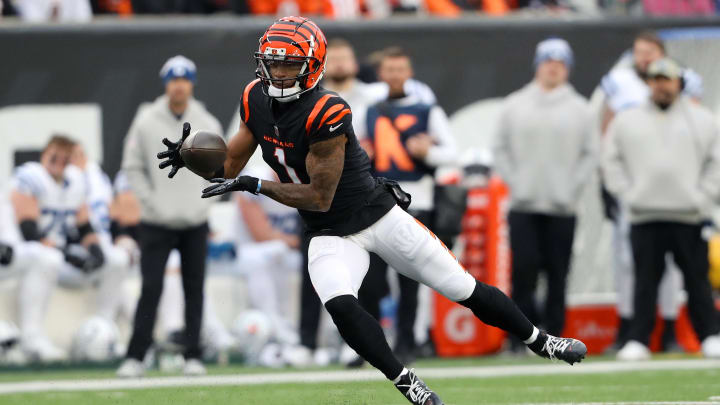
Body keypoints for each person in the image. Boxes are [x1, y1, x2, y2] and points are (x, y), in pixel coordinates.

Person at [159, 16, 587, 405]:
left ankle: (540, 340)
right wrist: (193, 159)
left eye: (290, 64)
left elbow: (318, 195)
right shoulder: (254, 96)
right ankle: (408, 384)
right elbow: (228, 167)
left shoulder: (328, 111)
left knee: (462, 288)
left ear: (313, 65)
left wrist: (256, 184)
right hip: (328, 232)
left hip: (375, 216)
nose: (280, 73)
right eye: (274, 63)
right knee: (341, 305)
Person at [601, 57, 720, 361]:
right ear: (648, 83)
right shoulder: (627, 120)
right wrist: (627, 194)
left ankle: (709, 335)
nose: (661, 85)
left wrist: (703, 197)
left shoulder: (702, 119)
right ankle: (639, 339)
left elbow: (715, 162)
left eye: (666, 79)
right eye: (655, 80)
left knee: (697, 280)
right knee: (644, 281)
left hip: (688, 214)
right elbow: (610, 160)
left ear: (678, 83)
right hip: (645, 213)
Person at [117, 55, 223, 378]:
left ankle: (193, 354)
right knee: (150, 288)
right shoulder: (146, 120)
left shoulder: (206, 120)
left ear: (191, 83)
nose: (179, 85)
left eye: (184, 79)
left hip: (194, 221)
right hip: (156, 222)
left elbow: (220, 168)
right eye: (173, 79)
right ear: (166, 83)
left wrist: (204, 205)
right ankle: (137, 354)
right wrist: (151, 204)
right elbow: (132, 167)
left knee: (195, 288)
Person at [493, 38, 595, 352]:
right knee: (523, 272)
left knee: (557, 274)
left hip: (562, 207)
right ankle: (519, 337)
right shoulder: (515, 104)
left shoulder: (581, 109)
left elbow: (590, 155)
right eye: (548, 61)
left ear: (567, 68)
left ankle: (557, 337)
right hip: (524, 205)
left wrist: (570, 189)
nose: (553, 68)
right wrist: (517, 184)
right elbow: (500, 149)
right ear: (538, 65)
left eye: (560, 63)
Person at [359, 46, 458, 364]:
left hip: (417, 200)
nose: (396, 75)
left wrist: (427, 152)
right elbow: (354, 151)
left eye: (401, 69)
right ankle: (372, 344)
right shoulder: (369, 110)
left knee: (410, 279)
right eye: (390, 69)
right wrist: (364, 154)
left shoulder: (429, 111)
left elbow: (452, 154)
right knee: (370, 280)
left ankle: (407, 343)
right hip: (376, 203)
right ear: (381, 74)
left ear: (409, 72)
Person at [599, 31, 688, 351]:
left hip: (673, 188)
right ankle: (629, 329)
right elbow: (606, 133)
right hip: (634, 188)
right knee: (627, 259)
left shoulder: (681, 84)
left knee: (674, 263)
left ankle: (669, 329)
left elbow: (693, 130)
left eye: (649, 51)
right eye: (638, 51)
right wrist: (613, 183)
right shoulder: (620, 83)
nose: (643, 57)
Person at [9, 135, 106, 362]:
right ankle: (31, 338)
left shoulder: (75, 181)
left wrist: (96, 252)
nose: (57, 159)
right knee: (48, 258)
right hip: (20, 252)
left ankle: (104, 331)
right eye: (54, 153)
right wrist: (68, 255)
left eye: (64, 155)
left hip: (54, 256)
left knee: (115, 261)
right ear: (45, 154)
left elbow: (84, 226)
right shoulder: (31, 177)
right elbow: (29, 231)